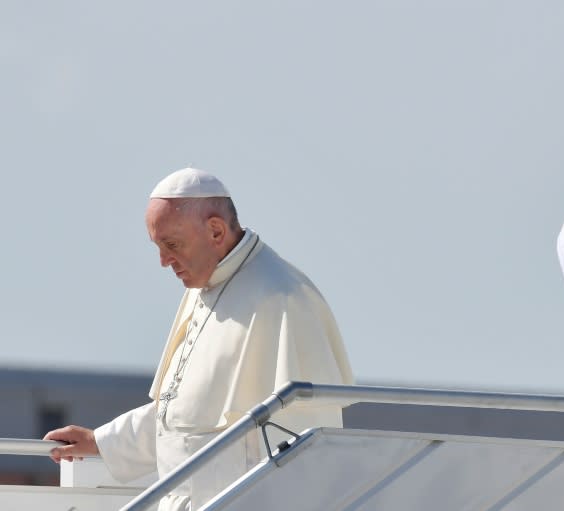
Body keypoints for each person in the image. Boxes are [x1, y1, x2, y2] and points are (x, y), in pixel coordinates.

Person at [44, 167, 354, 510]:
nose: (163, 261)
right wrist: (102, 441)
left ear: (216, 231)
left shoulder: (281, 299)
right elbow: (183, 420)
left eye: (172, 244)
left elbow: (304, 446)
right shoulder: (203, 287)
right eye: (158, 247)